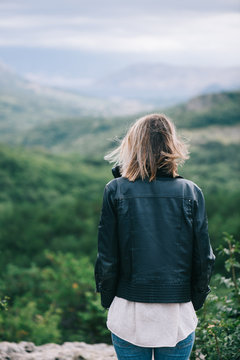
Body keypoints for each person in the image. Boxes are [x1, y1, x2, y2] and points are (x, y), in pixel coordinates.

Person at [94, 113, 216, 360]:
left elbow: (107, 259)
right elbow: (204, 258)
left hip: (129, 313)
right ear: (172, 145)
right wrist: (193, 300)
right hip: (177, 315)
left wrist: (109, 300)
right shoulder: (191, 192)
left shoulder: (115, 190)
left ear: (133, 145)